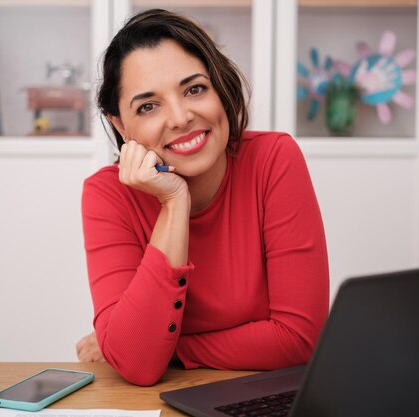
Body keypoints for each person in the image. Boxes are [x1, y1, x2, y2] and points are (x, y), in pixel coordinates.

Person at [77, 8, 329, 387]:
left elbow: (298, 340)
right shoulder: (107, 194)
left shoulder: (273, 159)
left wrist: (171, 349)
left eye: (194, 89)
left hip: (264, 396)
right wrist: (174, 203)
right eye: (148, 106)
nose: (180, 118)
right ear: (120, 125)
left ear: (220, 88)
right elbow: (138, 366)